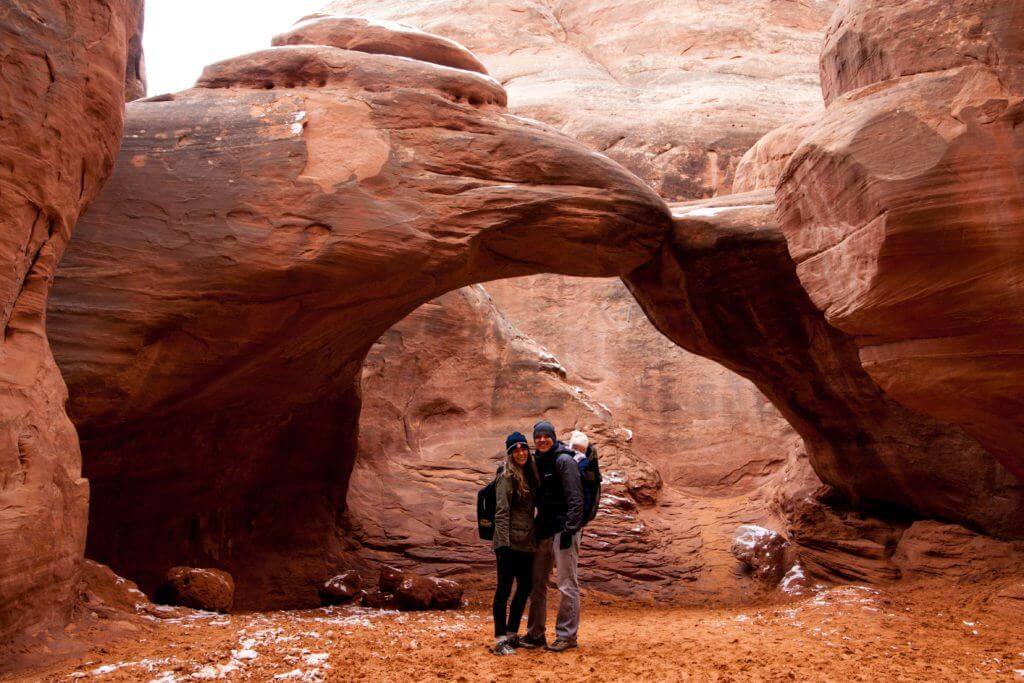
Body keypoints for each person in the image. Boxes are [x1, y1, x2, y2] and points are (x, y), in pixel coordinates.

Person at [521, 420, 584, 652]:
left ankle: (567, 636)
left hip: (564, 530)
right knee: (537, 584)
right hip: (544, 530)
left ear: (553, 437)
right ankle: (535, 634)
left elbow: (576, 498)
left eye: (546, 436)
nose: (542, 440)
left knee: (567, 584)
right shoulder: (536, 461)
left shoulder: (563, 460)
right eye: (538, 437)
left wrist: (570, 529)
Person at [491, 432, 539, 655]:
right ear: (510, 453)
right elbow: (501, 512)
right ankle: (500, 639)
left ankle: (511, 634)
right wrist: (502, 545)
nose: (520, 453)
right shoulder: (507, 476)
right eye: (515, 450)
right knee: (503, 591)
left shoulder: (529, 473)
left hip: (527, 544)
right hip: (509, 544)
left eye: (523, 449)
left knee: (525, 588)